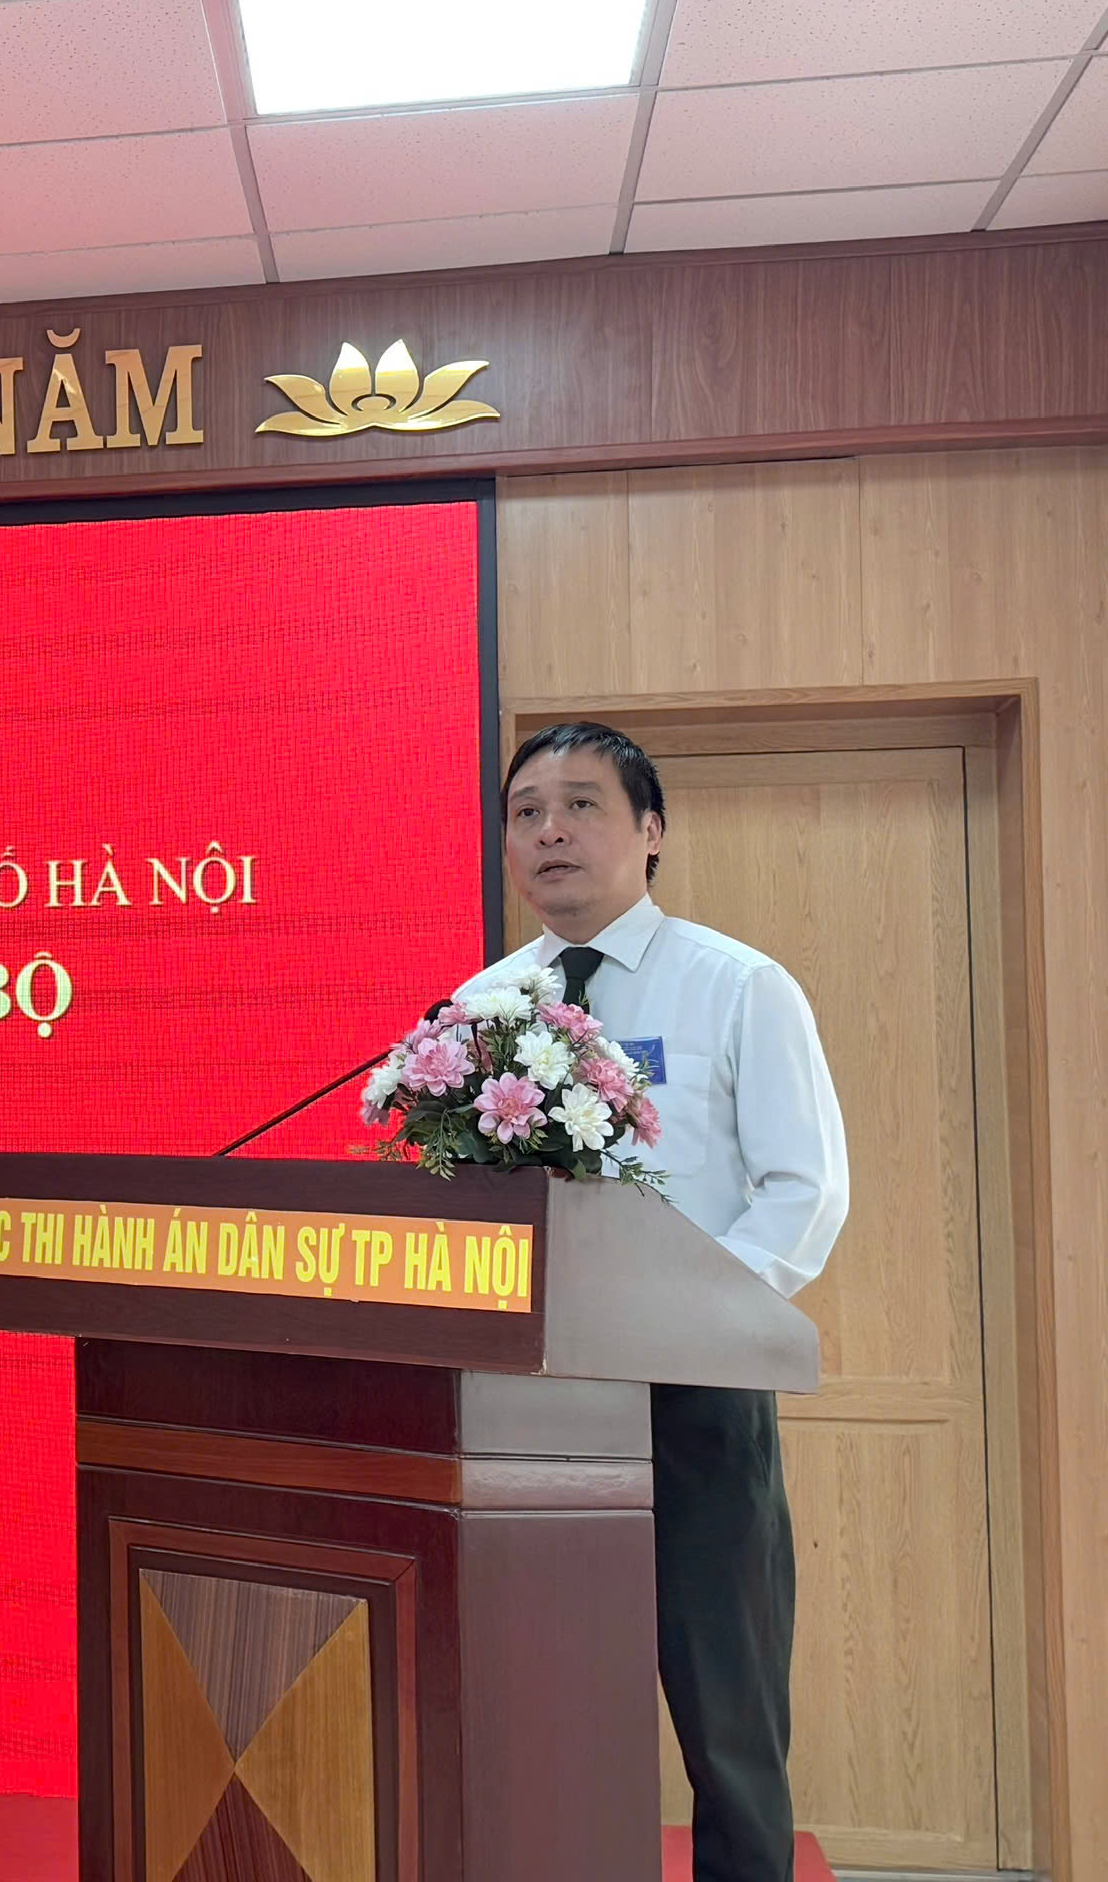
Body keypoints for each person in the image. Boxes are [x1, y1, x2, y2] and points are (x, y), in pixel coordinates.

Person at [467, 721, 848, 1882]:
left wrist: (690, 1322)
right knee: (546, 1707)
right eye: (526, 813)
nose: (549, 832)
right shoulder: (481, 1005)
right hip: (529, 1409)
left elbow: (803, 1190)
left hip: (696, 1394)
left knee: (725, 1711)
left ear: (650, 831)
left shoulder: (736, 986)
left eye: (580, 806)